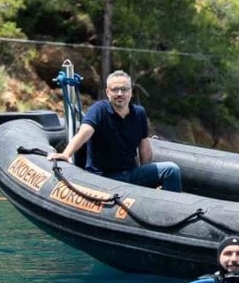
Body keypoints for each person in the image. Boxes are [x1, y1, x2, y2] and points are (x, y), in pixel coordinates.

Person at [48, 70, 182, 192]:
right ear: (108, 92)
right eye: (115, 89)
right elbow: (85, 132)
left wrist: (145, 176)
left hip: (130, 173)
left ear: (130, 92)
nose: (120, 94)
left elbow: (145, 148)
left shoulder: (139, 113)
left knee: (171, 169)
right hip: (104, 179)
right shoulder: (99, 110)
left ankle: (173, 213)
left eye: (124, 89)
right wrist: (66, 154)